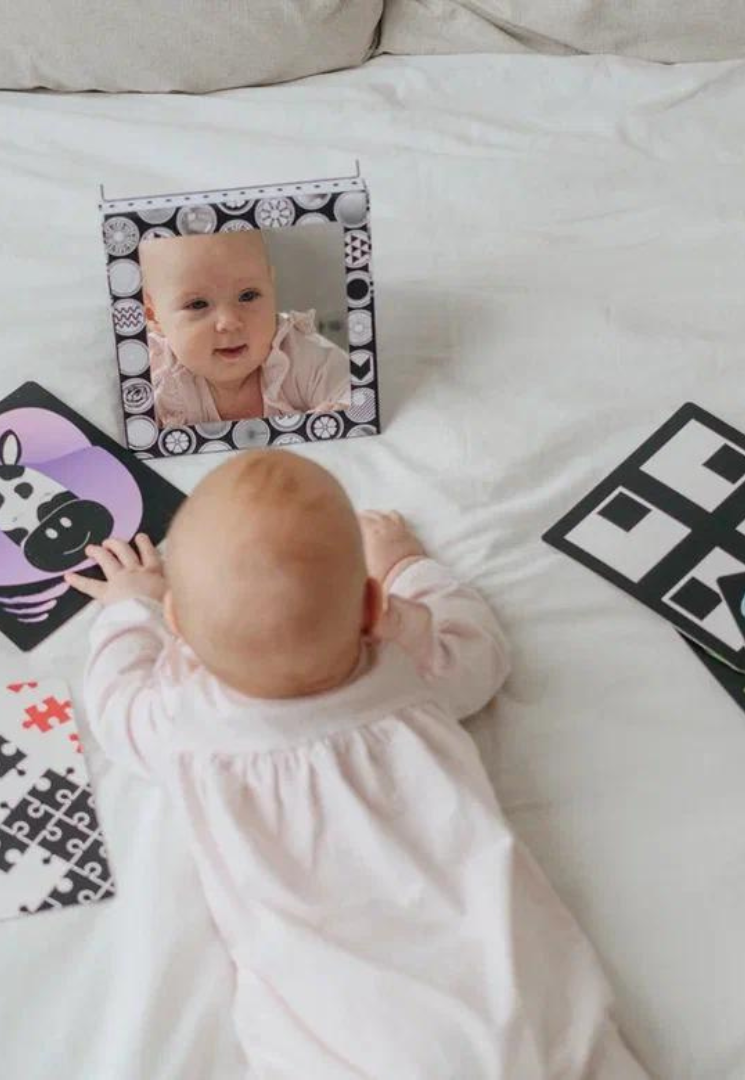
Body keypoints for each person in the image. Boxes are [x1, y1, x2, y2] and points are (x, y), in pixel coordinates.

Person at [65, 450, 648, 1080]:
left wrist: (131, 606)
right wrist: (406, 564)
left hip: (347, 1044)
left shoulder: (182, 726)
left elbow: (113, 704)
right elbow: (479, 650)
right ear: (371, 608)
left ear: (179, 620)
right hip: (520, 1013)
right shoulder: (409, 675)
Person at [140, 230, 351, 427]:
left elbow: (360, 396)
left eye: (248, 296)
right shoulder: (154, 375)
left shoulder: (298, 355)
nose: (229, 322)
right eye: (198, 304)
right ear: (154, 316)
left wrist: (338, 414)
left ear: (270, 285)